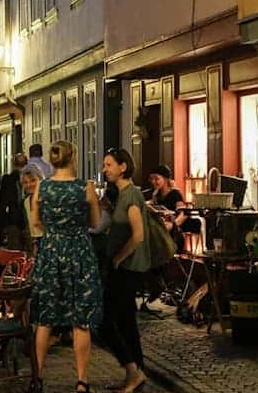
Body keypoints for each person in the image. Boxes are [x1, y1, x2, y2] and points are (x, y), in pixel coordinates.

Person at [29, 140, 103, 393]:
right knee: (80, 319)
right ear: (74, 158)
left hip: (51, 252)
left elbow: (36, 222)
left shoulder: (42, 187)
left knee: (45, 318)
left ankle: (37, 376)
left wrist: (55, 232)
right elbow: (95, 222)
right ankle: (82, 380)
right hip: (79, 253)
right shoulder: (86, 187)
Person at [100, 149, 150, 393]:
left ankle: (134, 372)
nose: (105, 169)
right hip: (124, 268)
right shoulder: (122, 195)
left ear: (123, 167)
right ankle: (136, 372)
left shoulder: (131, 195)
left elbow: (138, 235)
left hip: (128, 268)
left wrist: (119, 258)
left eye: (109, 165)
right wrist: (108, 209)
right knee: (126, 320)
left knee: (108, 321)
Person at [0, 153, 29, 249]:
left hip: (12, 217)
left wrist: (2, 220)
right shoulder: (30, 178)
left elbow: (3, 200)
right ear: (26, 164)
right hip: (27, 217)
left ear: (13, 164)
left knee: (14, 246)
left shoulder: (7, 179)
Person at [21, 165, 45, 255]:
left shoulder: (45, 199)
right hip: (34, 243)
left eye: (33, 180)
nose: (29, 185)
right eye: (25, 182)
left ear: (40, 179)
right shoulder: (26, 201)